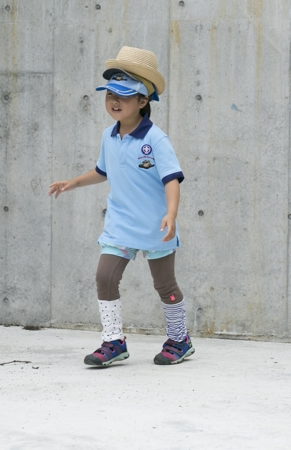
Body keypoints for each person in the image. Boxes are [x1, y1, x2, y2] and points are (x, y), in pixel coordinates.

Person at [48, 46, 194, 367]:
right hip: (120, 225)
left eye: (124, 95)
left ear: (143, 101)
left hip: (156, 225)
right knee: (105, 277)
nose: (114, 101)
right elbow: (102, 171)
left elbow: (171, 179)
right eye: (110, 94)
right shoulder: (108, 136)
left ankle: (179, 338)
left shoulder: (156, 139)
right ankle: (113, 341)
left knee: (165, 286)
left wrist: (171, 214)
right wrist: (73, 182)